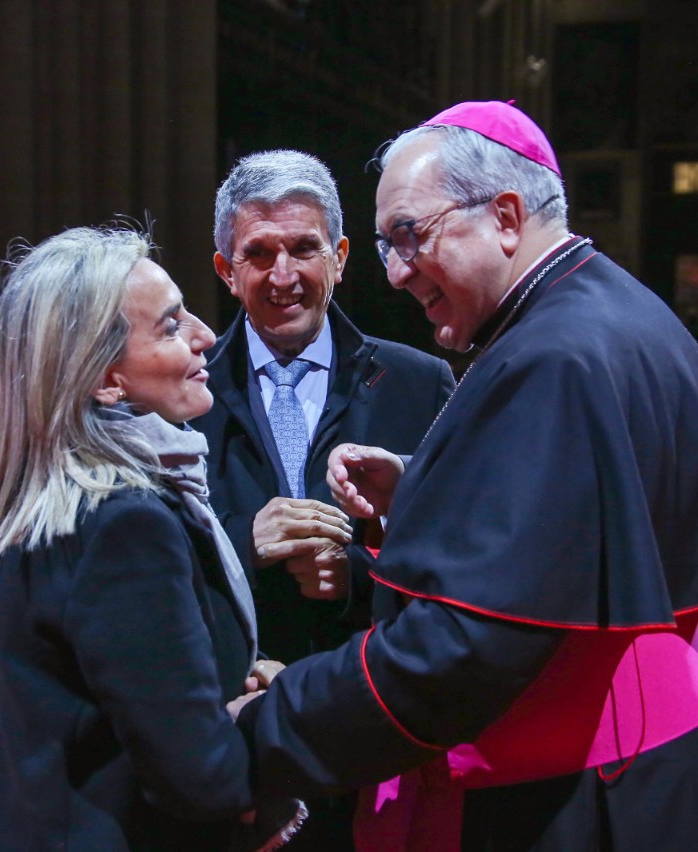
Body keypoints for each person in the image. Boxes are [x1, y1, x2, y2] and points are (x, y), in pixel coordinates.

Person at [229, 101, 698, 849]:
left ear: (504, 215)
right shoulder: (617, 310)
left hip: (599, 798)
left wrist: (271, 723)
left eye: (409, 235)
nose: (395, 273)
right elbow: (582, 536)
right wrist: (424, 489)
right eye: (384, 245)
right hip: (686, 767)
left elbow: (457, 652)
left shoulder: (547, 359)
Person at [0, 226, 301, 851]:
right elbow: (200, 776)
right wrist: (261, 716)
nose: (206, 335)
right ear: (105, 379)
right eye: (171, 327)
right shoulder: (124, 520)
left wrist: (225, 675)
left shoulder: (65, 497)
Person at [197, 149, 455, 849]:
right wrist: (242, 546)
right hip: (232, 727)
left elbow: (456, 557)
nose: (284, 276)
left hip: (372, 723)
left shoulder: (418, 383)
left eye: (305, 248)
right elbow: (144, 566)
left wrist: (356, 577)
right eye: (259, 253)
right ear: (227, 270)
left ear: (340, 256)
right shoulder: (185, 396)